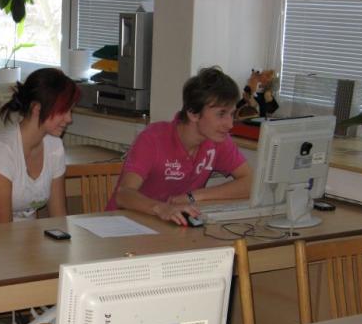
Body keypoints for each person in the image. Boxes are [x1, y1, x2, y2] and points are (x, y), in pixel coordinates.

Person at [106, 66, 252, 226]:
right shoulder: (153, 139)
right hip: (125, 226)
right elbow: (124, 195)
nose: (230, 124)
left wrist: (194, 196)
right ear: (193, 113)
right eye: (221, 114)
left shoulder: (218, 140)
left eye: (231, 114)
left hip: (168, 228)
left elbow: (250, 183)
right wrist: (162, 208)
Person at [0, 68, 80, 226]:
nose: (69, 118)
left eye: (70, 110)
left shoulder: (54, 146)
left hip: (25, 239)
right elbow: (3, 231)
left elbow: (59, 219)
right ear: (37, 109)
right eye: (64, 111)